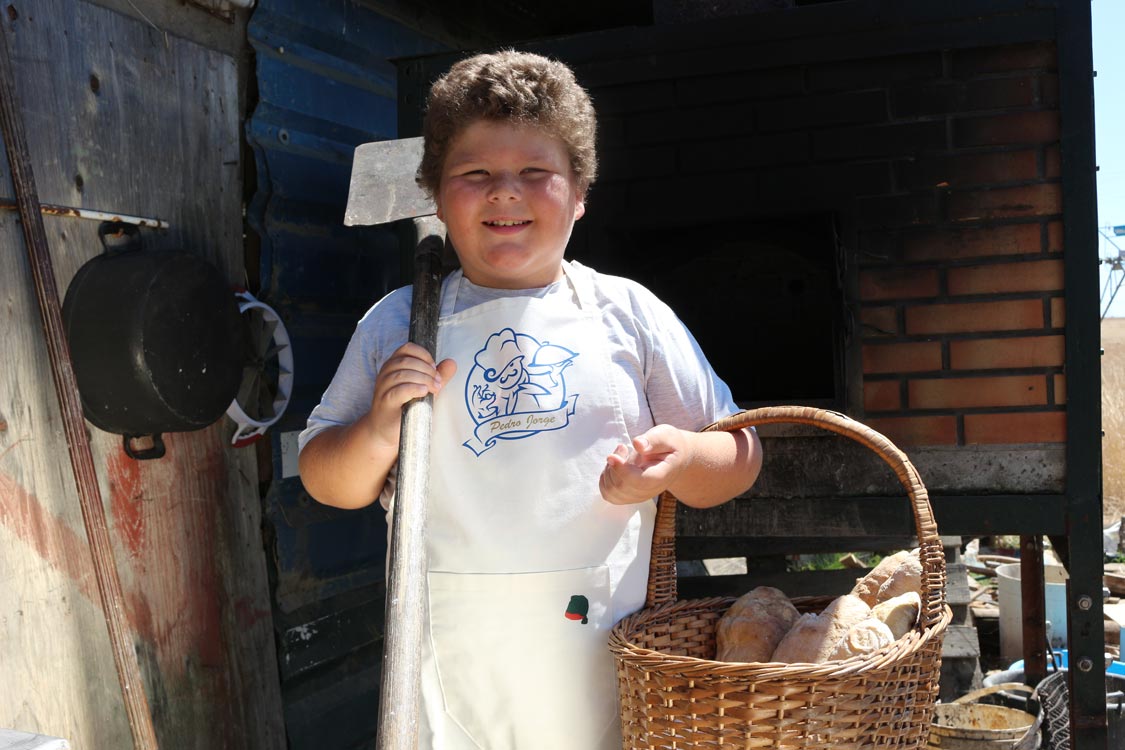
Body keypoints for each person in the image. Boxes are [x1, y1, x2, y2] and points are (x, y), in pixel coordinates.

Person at [298, 50, 763, 750]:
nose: (504, 193)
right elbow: (326, 481)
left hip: (601, 640)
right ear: (433, 192)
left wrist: (685, 458)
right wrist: (375, 432)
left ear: (579, 191)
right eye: (475, 174)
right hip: (455, 645)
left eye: (534, 174)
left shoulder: (625, 314)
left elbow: (739, 453)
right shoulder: (398, 322)